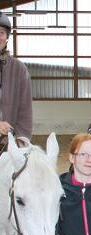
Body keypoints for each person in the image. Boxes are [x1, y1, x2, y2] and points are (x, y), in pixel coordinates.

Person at [0, 12, 33, 146]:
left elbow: (25, 112)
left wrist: (19, 142)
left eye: (1, 32)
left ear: (7, 37)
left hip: (10, 146)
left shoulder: (19, 70)